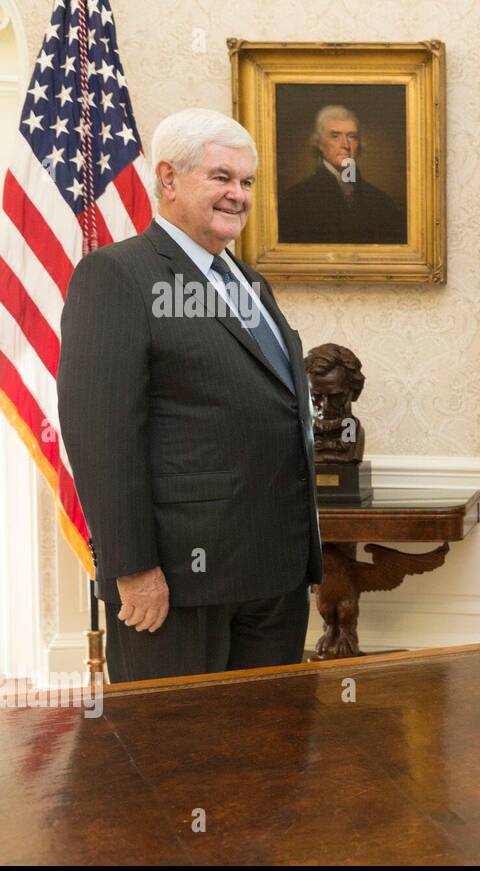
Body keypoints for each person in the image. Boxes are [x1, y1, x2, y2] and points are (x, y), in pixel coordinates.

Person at [57, 108, 323, 682]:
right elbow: (102, 435)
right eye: (221, 177)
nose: (238, 195)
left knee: (268, 755)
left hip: (274, 578)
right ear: (168, 179)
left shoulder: (250, 283)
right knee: (172, 761)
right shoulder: (116, 276)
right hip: (177, 585)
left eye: (247, 182)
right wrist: (132, 570)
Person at [278, 104, 405, 244]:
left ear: (359, 143)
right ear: (319, 143)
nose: (345, 144)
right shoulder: (296, 199)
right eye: (335, 136)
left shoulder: (381, 201)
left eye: (352, 136)